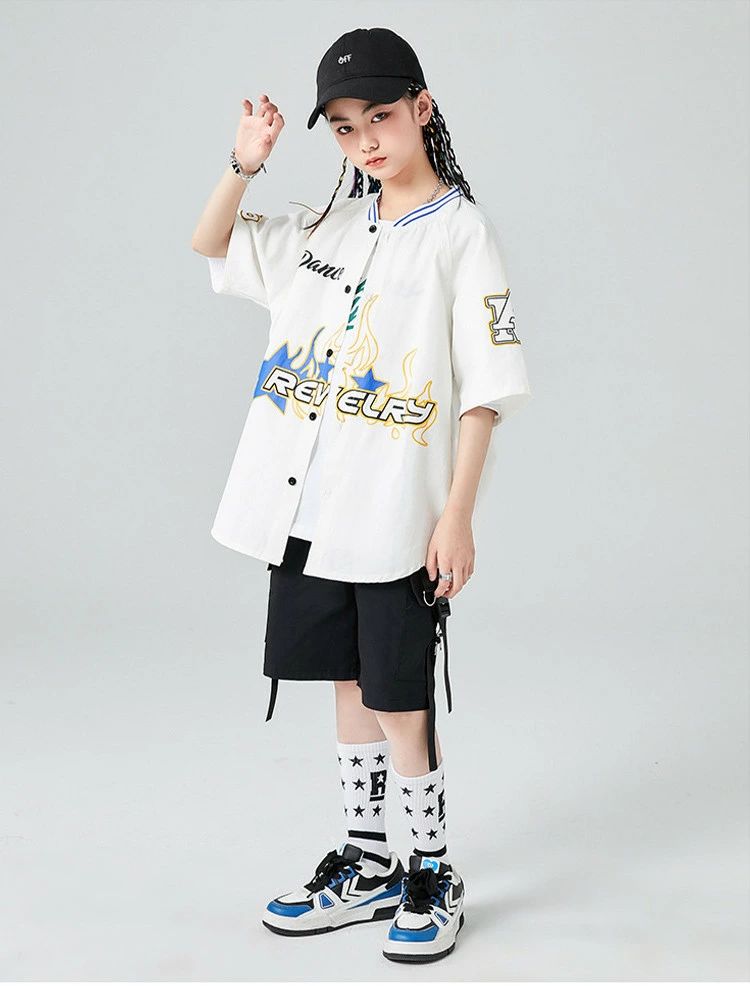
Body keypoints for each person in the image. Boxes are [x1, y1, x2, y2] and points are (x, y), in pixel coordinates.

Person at [191, 26, 532, 965]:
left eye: (379, 116)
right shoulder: (327, 228)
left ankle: (431, 868)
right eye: (344, 127)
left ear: (422, 108)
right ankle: (368, 860)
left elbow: (487, 390)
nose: (365, 140)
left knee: (398, 693)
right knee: (345, 679)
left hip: (395, 512)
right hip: (306, 508)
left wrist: (457, 515)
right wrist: (244, 164)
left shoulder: (462, 234)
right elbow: (212, 243)